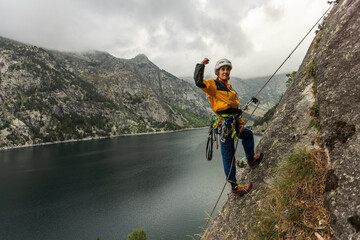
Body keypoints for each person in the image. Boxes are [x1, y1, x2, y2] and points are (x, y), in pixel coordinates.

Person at [194, 58, 263, 193]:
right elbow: (198, 82)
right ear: (218, 72)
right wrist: (201, 65)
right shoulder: (213, 85)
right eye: (223, 69)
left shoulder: (229, 88)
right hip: (225, 125)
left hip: (233, 122)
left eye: (227, 69)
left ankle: (250, 159)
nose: (225, 71)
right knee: (228, 155)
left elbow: (235, 109)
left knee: (248, 134)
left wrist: (241, 123)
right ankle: (234, 186)